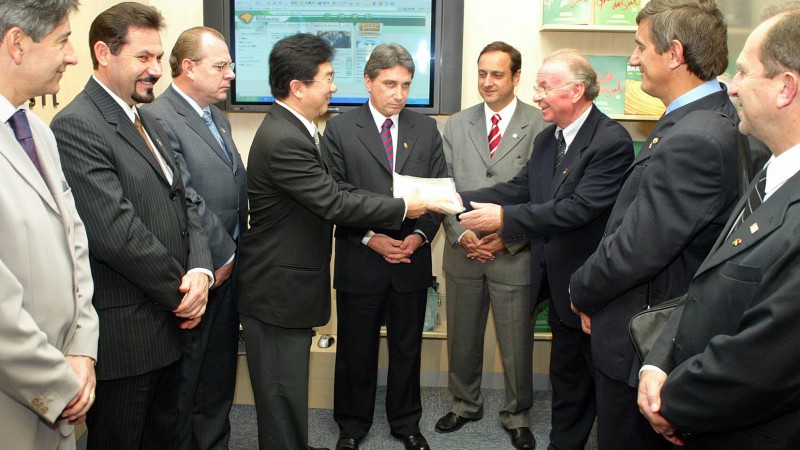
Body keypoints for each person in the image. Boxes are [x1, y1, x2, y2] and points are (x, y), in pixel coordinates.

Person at [236, 33, 434, 450]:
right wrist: (401, 208)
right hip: (281, 285)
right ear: (298, 86)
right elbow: (334, 200)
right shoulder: (291, 137)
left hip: (296, 281)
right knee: (281, 388)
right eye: (327, 77)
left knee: (287, 388)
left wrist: (414, 229)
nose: (333, 85)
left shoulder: (301, 130)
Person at [568, 0, 742, 448]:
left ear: (675, 53)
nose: (632, 59)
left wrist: (579, 290)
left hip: (644, 341)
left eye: (640, 46)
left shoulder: (696, 139)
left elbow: (636, 249)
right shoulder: (698, 120)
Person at [50, 3, 214, 449]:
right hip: (128, 339)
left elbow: (186, 202)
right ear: (103, 53)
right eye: (144, 57)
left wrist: (200, 270)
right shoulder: (77, 125)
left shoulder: (145, 118)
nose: (156, 70)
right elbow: (116, 234)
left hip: (168, 325)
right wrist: (185, 295)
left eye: (158, 58)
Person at [638, 9, 800, 449]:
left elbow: (762, 363)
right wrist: (656, 364)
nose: (730, 86)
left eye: (744, 72)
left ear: (786, 88)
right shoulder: (769, 168)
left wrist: (669, 403)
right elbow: (706, 285)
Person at [459, 48, 634, 450]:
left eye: (544, 87)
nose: (537, 96)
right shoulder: (547, 138)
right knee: (567, 377)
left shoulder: (610, 142)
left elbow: (577, 209)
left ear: (575, 91)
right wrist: (451, 196)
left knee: (605, 387)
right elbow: (519, 189)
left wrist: (505, 220)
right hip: (557, 285)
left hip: (594, 288)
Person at [322, 43, 446, 450]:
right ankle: (352, 427)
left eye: (406, 85)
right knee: (355, 351)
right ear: (368, 81)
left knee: (407, 348)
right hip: (362, 258)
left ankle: (406, 423)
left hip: (411, 258)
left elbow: (439, 193)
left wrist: (418, 236)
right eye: (390, 83)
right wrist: (371, 238)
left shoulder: (425, 129)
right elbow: (332, 195)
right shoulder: (340, 128)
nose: (399, 93)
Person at [433, 41, 546, 450]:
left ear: (516, 77)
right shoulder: (457, 124)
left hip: (513, 253)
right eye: (481, 73)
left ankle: (517, 414)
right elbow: (443, 188)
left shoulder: (541, 125)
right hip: (463, 251)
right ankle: (465, 405)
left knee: (517, 342)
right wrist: (461, 234)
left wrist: (507, 238)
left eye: (497, 74)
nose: (487, 82)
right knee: (461, 337)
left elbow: (542, 195)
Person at [0, 1, 99, 449]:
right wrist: (60, 383)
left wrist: (82, 349)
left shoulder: (37, 131)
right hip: (17, 398)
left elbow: (74, 239)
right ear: (17, 44)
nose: (73, 56)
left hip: (66, 375)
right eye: (62, 40)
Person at [143, 26, 247, 450]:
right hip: (196, 271)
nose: (230, 75)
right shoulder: (159, 117)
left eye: (230, 66)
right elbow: (188, 197)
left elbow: (233, 188)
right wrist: (221, 258)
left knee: (219, 371)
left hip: (229, 268)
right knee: (187, 380)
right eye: (220, 66)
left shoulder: (216, 117)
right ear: (188, 67)